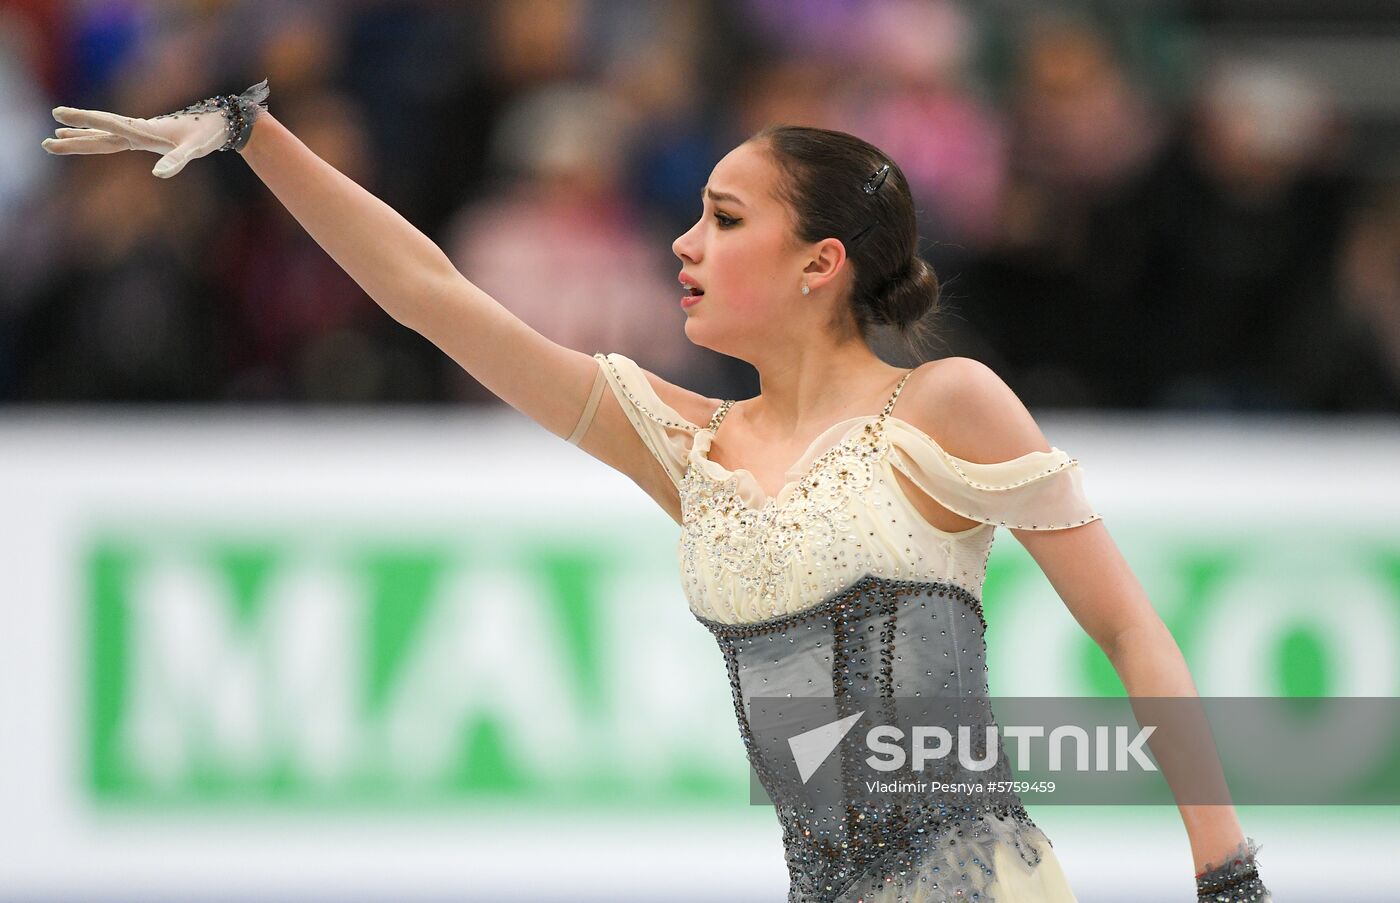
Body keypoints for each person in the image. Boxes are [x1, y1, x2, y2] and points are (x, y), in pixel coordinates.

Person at [41, 81, 1270, 903]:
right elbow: (431, 296)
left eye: (721, 219)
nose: (681, 242)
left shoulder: (941, 405)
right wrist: (258, 139)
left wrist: (1225, 875)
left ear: (816, 265)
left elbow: (1124, 624)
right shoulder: (681, 446)